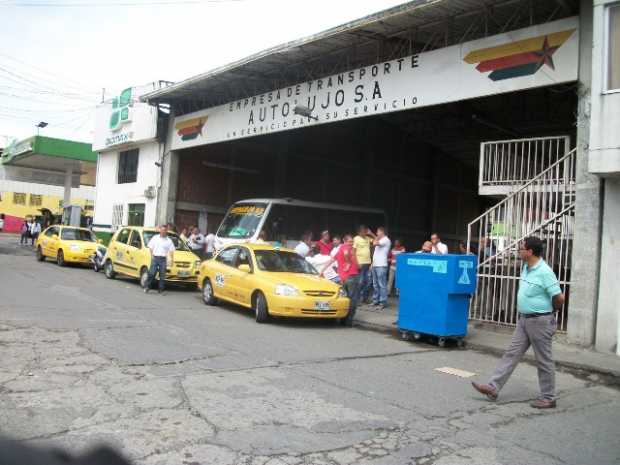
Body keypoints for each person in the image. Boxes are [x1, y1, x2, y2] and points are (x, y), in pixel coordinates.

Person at [471, 236, 565, 409]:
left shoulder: (544, 271)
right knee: (511, 354)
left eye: (521, 248)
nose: (518, 251)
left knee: (544, 360)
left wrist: (552, 312)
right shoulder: (526, 267)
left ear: (530, 252)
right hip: (524, 320)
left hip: (540, 321)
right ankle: (493, 387)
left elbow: (559, 297)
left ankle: (549, 397)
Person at [320, 234, 359, 326]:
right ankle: (348, 321)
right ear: (344, 241)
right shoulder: (348, 248)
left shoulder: (339, 249)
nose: (351, 243)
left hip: (343, 278)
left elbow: (331, 260)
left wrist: (322, 270)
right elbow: (346, 253)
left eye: (352, 241)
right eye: (350, 241)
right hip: (351, 276)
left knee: (344, 298)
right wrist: (349, 263)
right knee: (352, 300)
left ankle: (342, 319)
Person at [144, 225, 176, 295]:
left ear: (166, 231)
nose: (163, 231)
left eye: (165, 230)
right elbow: (150, 247)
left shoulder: (169, 240)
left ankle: (161, 289)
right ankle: (147, 286)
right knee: (152, 273)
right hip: (155, 258)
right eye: (162, 230)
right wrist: (152, 255)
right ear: (160, 230)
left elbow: (171, 251)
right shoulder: (155, 238)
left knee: (162, 275)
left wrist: (172, 259)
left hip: (163, 259)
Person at [370, 227, 391, 310]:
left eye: (378, 232)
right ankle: (376, 300)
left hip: (381, 265)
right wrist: (372, 264)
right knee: (375, 284)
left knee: (382, 284)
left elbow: (375, 243)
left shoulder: (386, 240)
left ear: (382, 232)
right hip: (375, 264)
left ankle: (383, 302)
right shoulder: (380, 240)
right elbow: (376, 253)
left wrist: (372, 235)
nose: (377, 233)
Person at [353, 225, 374, 303]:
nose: (365, 232)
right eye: (363, 231)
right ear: (359, 232)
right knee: (360, 282)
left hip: (368, 263)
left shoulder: (368, 238)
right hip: (360, 263)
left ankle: (365, 298)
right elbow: (353, 252)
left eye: (365, 231)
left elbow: (377, 241)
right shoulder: (356, 238)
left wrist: (371, 233)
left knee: (368, 282)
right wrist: (356, 263)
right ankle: (357, 299)